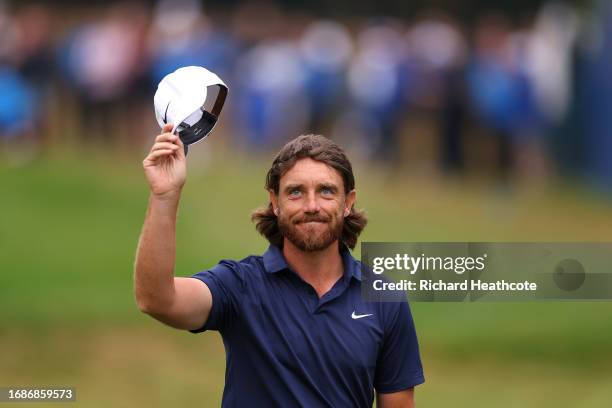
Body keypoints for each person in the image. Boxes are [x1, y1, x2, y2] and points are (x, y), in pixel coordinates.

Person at [134, 124, 425, 407]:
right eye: (296, 192)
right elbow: (157, 299)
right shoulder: (241, 286)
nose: (312, 205)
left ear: (347, 203)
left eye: (326, 191)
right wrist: (164, 196)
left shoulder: (384, 297)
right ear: (275, 202)